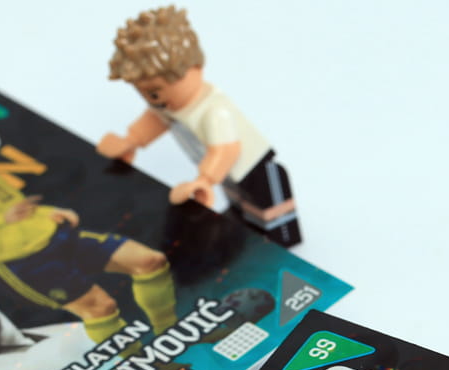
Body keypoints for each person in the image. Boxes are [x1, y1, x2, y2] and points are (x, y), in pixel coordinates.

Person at [0, 135, 179, 346]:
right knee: (100, 308)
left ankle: (168, 332)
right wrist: (2, 220)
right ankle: (147, 366)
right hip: (15, 261)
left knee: (149, 261)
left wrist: (49, 211)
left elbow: (16, 206)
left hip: (53, 236)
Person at [99, 6, 300, 246]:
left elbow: (226, 150)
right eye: (143, 94)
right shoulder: (167, 106)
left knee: (270, 210)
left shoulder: (213, 111)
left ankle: (278, 240)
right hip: (226, 173)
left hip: (254, 167)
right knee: (238, 205)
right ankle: (244, 227)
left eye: (154, 93)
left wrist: (204, 180)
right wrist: (131, 140)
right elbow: (155, 119)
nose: (153, 101)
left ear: (192, 69)